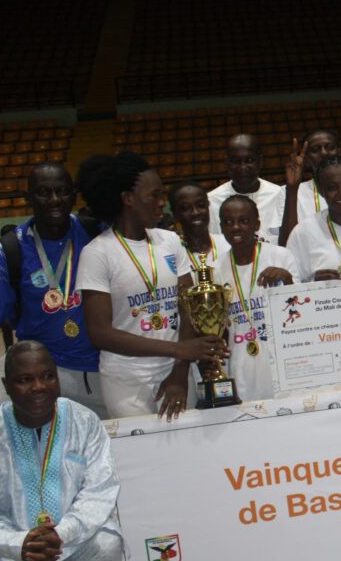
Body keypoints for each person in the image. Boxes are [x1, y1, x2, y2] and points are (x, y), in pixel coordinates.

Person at [75, 153, 227, 419]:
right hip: (126, 380)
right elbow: (100, 333)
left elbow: (187, 309)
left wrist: (179, 371)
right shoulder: (97, 253)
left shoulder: (169, 242)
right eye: (155, 195)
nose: (162, 204)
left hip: (176, 372)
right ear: (128, 198)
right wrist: (178, 350)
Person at [0, 341, 122, 561]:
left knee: (107, 543)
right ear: (7, 385)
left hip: (71, 546)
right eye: (25, 380)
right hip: (9, 560)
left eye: (47, 376)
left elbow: (99, 492)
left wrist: (61, 534)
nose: (39, 386)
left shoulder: (83, 420)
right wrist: (19, 543)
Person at [0, 163, 105, 418]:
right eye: (44, 192)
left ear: (73, 196)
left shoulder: (96, 234)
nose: (54, 200)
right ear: (29, 197)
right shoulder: (7, 252)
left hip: (97, 369)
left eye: (63, 191)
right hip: (36, 372)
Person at [214, 196, 300, 402]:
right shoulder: (215, 270)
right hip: (239, 367)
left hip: (280, 365)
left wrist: (286, 279)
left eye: (243, 221)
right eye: (228, 222)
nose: (235, 227)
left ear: (257, 224)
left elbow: (301, 312)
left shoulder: (281, 256)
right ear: (221, 227)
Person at [280, 130, 341, 245]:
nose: (324, 153)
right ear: (306, 158)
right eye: (315, 150)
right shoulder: (289, 193)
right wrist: (292, 190)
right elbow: (287, 246)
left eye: (330, 147)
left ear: (339, 151)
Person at [207, 134, 286, 244]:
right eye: (236, 161)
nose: (243, 167)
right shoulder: (211, 201)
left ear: (260, 161)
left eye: (249, 160)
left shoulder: (279, 195)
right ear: (227, 164)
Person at [169, 181, 230, 275]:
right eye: (185, 208)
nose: (195, 212)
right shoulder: (172, 253)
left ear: (208, 206)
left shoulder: (228, 244)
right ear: (175, 215)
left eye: (201, 205)